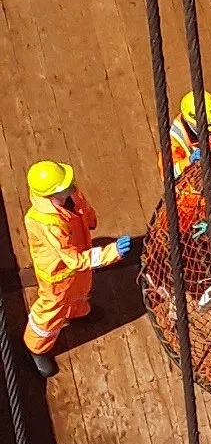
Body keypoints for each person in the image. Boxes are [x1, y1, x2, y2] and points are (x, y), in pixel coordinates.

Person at [23, 161, 132, 378]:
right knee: (51, 311)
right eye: (64, 187)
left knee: (80, 293)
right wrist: (112, 252)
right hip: (58, 275)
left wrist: (90, 220)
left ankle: (77, 313)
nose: (71, 188)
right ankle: (36, 347)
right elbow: (73, 260)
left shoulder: (69, 196)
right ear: (49, 195)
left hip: (79, 265)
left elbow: (84, 211)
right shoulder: (47, 223)